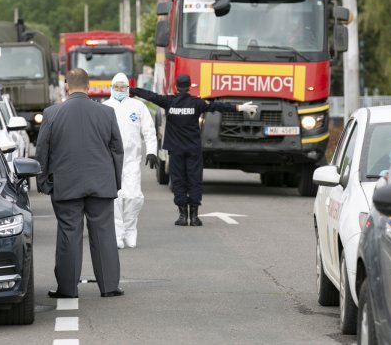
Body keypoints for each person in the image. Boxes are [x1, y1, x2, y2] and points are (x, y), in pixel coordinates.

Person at [36, 68, 125, 299]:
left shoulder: (52, 113)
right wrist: (114, 181)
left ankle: (67, 288)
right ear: (89, 86)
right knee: (104, 234)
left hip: (66, 185)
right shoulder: (106, 113)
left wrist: (43, 181)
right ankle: (109, 287)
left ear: (66, 86)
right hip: (101, 184)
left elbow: (42, 151)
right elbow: (117, 149)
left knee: (68, 235)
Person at [130, 74, 257, 226]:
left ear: (176, 87)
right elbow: (217, 107)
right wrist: (239, 107)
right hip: (193, 150)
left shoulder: (169, 102)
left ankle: (183, 216)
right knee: (194, 181)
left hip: (175, 150)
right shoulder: (197, 103)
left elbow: (150, 95)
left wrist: (131, 89)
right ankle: (195, 217)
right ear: (190, 87)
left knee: (178, 181)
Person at [103, 72, 158, 249]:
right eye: (116, 87)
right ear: (111, 88)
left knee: (134, 197)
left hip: (132, 160)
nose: (119, 90)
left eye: (123, 87)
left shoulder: (138, 106)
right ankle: (118, 234)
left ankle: (130, 229)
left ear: (128, 88)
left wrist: (152, 151)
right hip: (111, 160)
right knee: (116, 198)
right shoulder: (105, 107)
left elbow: (149, 130)